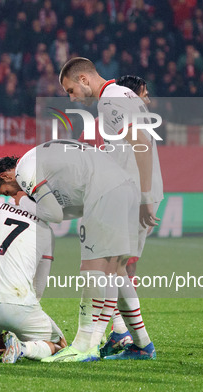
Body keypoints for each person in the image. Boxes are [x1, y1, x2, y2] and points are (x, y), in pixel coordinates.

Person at [0, 140, 141, 363]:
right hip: (125, 187)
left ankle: (84, 346)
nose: (12, 196)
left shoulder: (23, 171)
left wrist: (24, 202)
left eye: (8, 192)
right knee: (116, 272)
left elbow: (54, 215)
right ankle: (140, 343)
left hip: (105, 193)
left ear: (7, 177)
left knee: (93, 270)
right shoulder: (40, 159)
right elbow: (67, 209)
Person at [60, 58, 161, 361]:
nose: (71, 97)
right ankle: (138, 343)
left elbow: (140, 142)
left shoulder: (111, 100)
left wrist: (143, 197)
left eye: (70, 90)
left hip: (130, 191)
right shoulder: (126, 95)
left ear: (83, 79)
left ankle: (94, 343)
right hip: (135, 189)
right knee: (115, 269)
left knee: (104, 267)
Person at [0, 196, 66, 363]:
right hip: (18, 305)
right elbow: (40, 286)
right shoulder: (45, 230)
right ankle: (21, 348)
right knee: (59, 345)